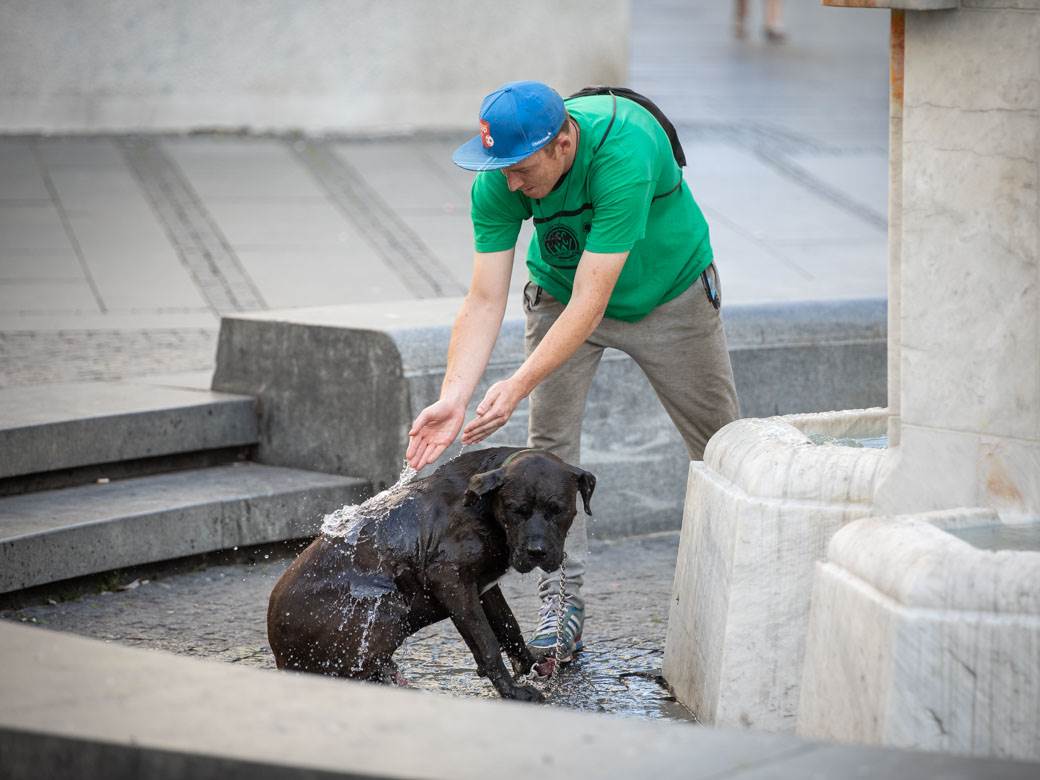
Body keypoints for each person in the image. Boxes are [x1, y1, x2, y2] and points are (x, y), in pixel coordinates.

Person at [406, 81, 739, 663]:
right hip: (560, 295)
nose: (509, 182)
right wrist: (453, 397)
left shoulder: (624, 150)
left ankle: (744, 589)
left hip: (670, 297)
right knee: (545, 457)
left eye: (519, 168)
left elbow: (595, 296)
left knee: (725, 451)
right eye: (500, 168)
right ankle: (562, 604)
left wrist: (517, 382)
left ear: (563, 144)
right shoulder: (501, 175)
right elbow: (485, 299)